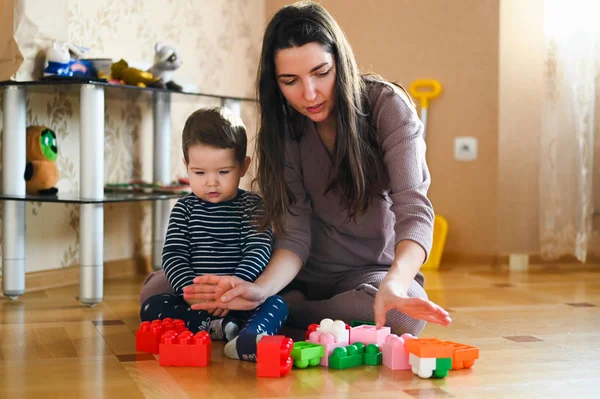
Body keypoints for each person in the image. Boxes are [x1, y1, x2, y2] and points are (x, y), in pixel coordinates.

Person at [141, 0, 451, 337]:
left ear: (341, 63)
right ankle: (274, 306)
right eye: (290, 81)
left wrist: (396, 280)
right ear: (275, 83)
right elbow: (295, 235)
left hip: (365, 274)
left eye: (321, 73)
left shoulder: (387, 107)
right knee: (154, 291)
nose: (310, 94)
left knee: (403, 316)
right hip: (294, 271)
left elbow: (415, 210)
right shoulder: (284, 126)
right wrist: (260, 287)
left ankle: (288, 311)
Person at [139, 106, 288, 362]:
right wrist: (188, 290)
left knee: (278, 305)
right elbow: (174, 254)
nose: (211, 182)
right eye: (199, 173)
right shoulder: (184, 209)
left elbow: (258, 250)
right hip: (196, 302)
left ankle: (250, 336)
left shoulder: (252, 206)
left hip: (240, 297)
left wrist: (234, 290)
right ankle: (212, 326)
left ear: (243, 166)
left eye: (223, 172)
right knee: (152, 305)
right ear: (186, 166)